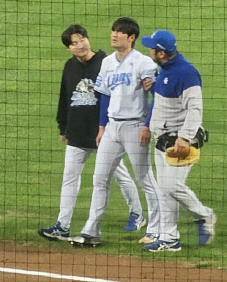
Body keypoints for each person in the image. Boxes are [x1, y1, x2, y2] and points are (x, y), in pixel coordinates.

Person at [38, 25, 147, 241]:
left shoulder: (105, 62)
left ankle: (137, 213)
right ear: (69, 48)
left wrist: (106, 126)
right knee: (69, 178)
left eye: (82, 40)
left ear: (88, 39)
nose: (80, 45)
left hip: (104, 133)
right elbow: (64, 97)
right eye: (74, 43)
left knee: (119, 176)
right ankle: (63, 225)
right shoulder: (69, 66)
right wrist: (63, 127)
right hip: (77, 133)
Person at [70, 17, 163, 247]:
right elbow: (105, 95)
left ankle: (156, 229)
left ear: (131, 38)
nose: (114, 35)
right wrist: (102, 128)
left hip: (135, 127)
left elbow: (156, 98)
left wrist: (147, 126)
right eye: (113, 30)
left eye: (120, 32)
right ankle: (91, 232)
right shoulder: (108, 62)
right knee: (100, 178)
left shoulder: (144, 63)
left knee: (145, 179)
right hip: (112, 128)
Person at [138, 30, 216, 252]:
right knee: (164, 191)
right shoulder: (165, 70)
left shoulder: (186, 73)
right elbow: (163, 101)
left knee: (169, 185)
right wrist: (148, 123)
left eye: (152, 47)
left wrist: (185, 137)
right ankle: (169, 239)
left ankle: (205, 215)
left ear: (161, 52)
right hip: (162, 140)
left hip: (180, 141)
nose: (149, 50)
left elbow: (195, 109)